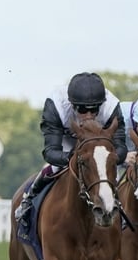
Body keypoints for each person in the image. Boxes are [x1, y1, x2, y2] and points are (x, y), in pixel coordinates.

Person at [14, 72, 127, 222]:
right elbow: (50, 152)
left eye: (94, 110)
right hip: (67, 142)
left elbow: (121, 148)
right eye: (82, 110)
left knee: (110, 174)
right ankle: (29, 199)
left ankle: (119, 213)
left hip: (98, 147)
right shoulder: (56, 105)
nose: (88, 115)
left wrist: (109, 159)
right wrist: (73, 157)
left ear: (101, 105)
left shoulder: (111, 107)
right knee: (53, 168)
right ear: (72, 104)